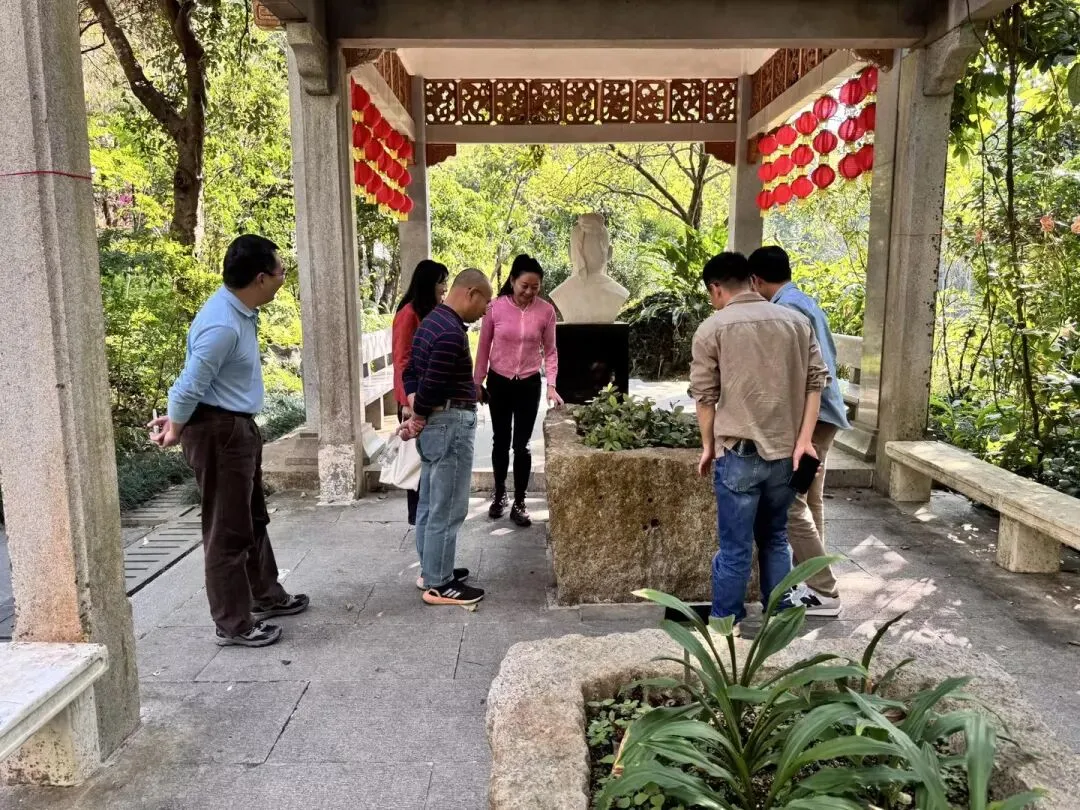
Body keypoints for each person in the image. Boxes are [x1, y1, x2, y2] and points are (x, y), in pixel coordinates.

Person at [148, 235, 309, 648]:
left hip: (233, 426)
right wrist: (176, 427)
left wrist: (182, 417)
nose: (283, 277)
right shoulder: (221, 323)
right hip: (220, 433)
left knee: (252, 519)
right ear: (260, 278)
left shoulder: (240, 310)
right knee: (227, 529)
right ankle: (233, 623)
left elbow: (200, 383)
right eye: (281, 271)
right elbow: (188, 384)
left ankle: (265, 594)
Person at [688, 252, 827, 629]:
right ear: (751, 280)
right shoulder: (796, 322)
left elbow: (704, 396)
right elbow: (816, 383)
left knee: (735, 548)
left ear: (716, 289)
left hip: (739, 454)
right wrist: (804, 441)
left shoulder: (712, 329)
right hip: (786, 456)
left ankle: (725, 624)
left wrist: (708, 446)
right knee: (776, 538)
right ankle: (778, 620)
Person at [749, 246, 849, 617]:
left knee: (790, 505)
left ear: (755, 280)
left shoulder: (786, 311)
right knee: (810, 501)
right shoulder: (804, 301)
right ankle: (813, 582)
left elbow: (796, 376)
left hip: (812, 420)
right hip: (827, 416)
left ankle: (824, 590)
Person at [400, 268, 493, 606]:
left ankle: (431, 570)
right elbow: (433, 386)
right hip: (449, 425)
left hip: (437, 424)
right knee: (448, 506)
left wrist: (417, 412)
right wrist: (418, 415)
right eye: (485, 303)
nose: (485, 311)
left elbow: (409, 372)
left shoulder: (431, 322)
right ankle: (439, 584)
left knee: (429, 503)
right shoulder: (451, 332)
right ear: (471, 293)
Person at [474, 254, 562, 527]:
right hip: (499, 382)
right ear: (512, 280)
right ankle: (500, 494)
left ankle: (520, 502)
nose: (529, 291)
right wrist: (477, 382)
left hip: (528, 383)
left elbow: (551, 351)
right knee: (500, 441)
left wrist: (551, 385)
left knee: (521, 445)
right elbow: (483, 346)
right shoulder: (494, 308)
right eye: (524, 285)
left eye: (535, 287)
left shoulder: (546, 311)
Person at [392, 260, 450, 525]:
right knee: (416, 465)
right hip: (413, 402)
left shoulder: (434, 311)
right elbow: (402, 360)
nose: (445, 287)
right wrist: (407, 402)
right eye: (441, 281)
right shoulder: (408, 313)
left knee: (430, 465)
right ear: (429, 284)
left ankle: (429, 522)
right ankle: (418, 521)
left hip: (430, 400)